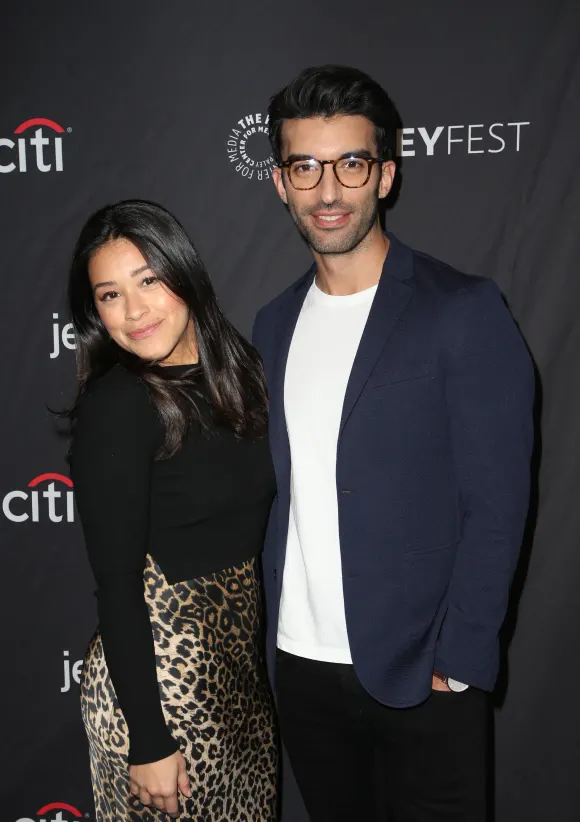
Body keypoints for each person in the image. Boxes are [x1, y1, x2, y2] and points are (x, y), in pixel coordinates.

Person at [252, 65, 534, 822]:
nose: (328, 190)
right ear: (281, 182)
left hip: (422, 676)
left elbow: (498, 502)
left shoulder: (461, 310)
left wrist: (460, 660)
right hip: (303, 669)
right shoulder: (273, 325)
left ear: (385, 175)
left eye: (350, 163)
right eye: (305, 167)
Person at [67, 200, 278, 821]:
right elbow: (117, 587)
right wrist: (149, 739)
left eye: (148, 281)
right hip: (162, 697)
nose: (133, 312)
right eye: (109, 295)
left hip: (237, 681)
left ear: (182, 272)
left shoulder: (237, 374)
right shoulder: (119, 406)